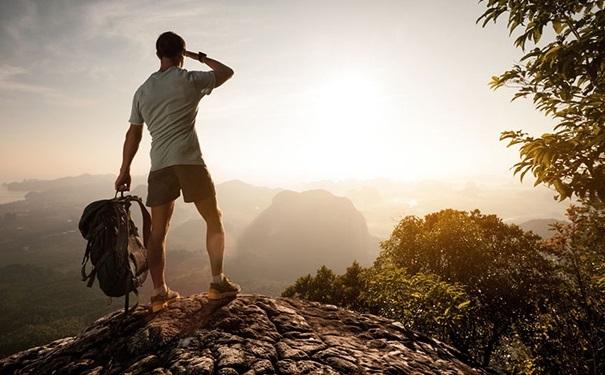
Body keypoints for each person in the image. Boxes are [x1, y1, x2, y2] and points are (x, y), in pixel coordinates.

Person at [115, 31, 241, 313]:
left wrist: (124, 170)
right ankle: (218, 283)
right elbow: (227, 72)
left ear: (158, 54)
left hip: (159, 164)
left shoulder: (142, 91)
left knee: (158, 232)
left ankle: (159, 293)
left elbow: (132, 134)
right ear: (181, 53)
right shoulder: (190, 79)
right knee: (213, 218)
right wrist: (199, 57)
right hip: (189, 161)